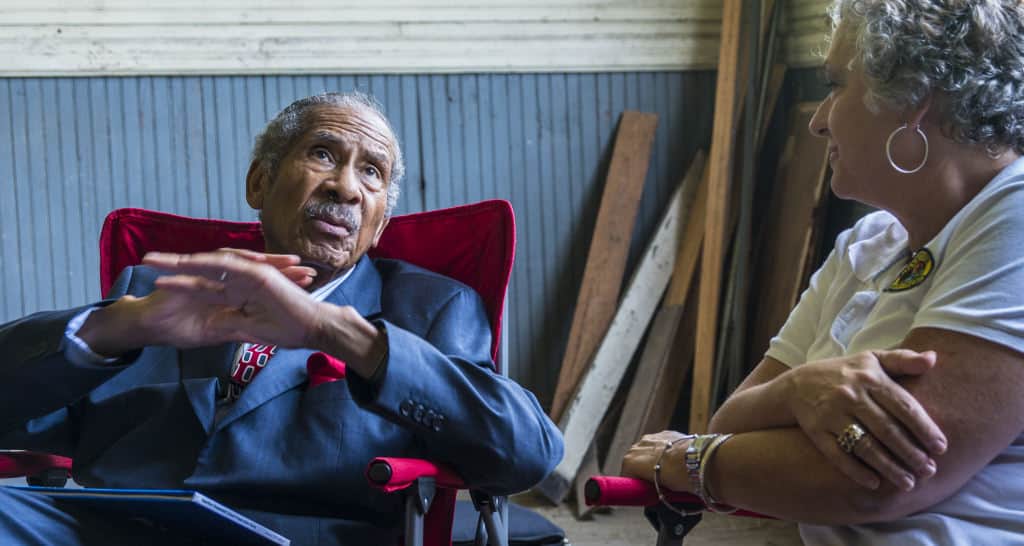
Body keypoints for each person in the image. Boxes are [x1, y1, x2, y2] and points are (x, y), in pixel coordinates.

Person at [0, 92, 563, 545]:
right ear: (259, 183)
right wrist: (110, 330)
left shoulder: (430, 309)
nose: (346, 186)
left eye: (371, 172)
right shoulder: (153, 291)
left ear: (380, 223)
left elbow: (527, 453)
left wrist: (336, 333)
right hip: (110, 526)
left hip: (286, 535)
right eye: (323, 153)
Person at [623, 0, 1024, 543]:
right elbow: (732, 422)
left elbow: (882, 481)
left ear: (914, 99)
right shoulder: (867, 242)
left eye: (836, 86)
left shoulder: (1014, 212)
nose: (816, 119)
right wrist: (797, 392)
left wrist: (687, 461)